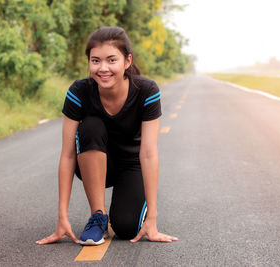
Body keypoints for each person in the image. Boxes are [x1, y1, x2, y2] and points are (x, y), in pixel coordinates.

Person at [36, 26, 178, 246]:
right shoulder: (79, 91)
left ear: (127, 61)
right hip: (93, 162)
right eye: (95, 61)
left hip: (132, 166)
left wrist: (153, 220)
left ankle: (134, 210)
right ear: (89, 62)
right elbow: (67, 156)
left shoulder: (147, 91)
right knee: (90, 126)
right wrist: (62, 218)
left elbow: (149, 154)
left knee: (126, 228)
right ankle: (98, 217)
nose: (103, 68)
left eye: (112, 60)